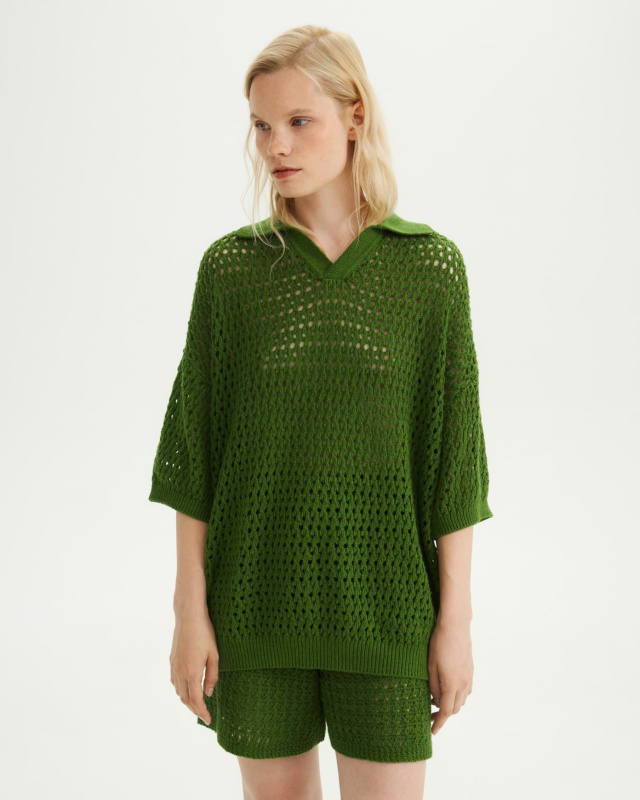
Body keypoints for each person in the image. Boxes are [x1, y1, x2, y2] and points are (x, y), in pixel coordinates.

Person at [149, 23, 493, 800]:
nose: (277, 146)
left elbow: (454, 465)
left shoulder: (429, 270)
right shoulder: (233, 271)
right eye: (261, 126)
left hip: (389, 608)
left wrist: (456, 623)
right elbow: (194, 459)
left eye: (299, 121)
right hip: (255, 604)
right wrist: (188, 614)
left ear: (355, 116)